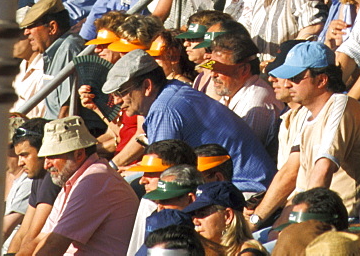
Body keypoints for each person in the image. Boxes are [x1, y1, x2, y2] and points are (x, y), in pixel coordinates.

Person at [101, 50, 276, 193]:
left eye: (121, 92)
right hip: (239, 184)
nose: (116, 101)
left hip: (243, 189)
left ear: (147, 86)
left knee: (139, 196)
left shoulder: (165, 109)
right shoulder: (172, 93)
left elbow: (163, 175)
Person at [269, 42, 360, 218]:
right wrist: (266, 227)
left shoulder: (340, 105)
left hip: (339, 221)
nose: (287, 84)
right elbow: (298, 185)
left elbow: (323, 170)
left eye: (296, 77)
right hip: (307, 216)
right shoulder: (306, 113)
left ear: (322, 80)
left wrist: (302, 226)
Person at [26, 116, 138, 255]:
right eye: (45, 157)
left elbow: (53, 246)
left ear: (79, 154)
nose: (46, 165)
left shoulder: (94, 181)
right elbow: (41, 239)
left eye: (53, 156)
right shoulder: (77, 180)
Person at [198, 29, 283, 154]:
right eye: (211, 67)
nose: (213, 74)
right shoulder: (232, 93)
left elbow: (240, 152)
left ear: (244, 70)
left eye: (220, 69)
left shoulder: (256, 101)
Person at [19, 0, 85, 119]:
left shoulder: (68, 48)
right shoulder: (52, 52)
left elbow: (67, 110)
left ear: (52, 27)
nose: (26, 32)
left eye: (31, 26)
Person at [8, 119, 59, 256]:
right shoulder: (38, 178)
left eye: (25, 155)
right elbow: (23, 232)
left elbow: (33, 236)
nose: (20, 163)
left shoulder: (51, 178)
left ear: (43, 150)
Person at [185, 181, 264, 256]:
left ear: (228, 216)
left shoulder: (247, 254)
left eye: (202, 214)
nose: (195, 221)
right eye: (194, 214)